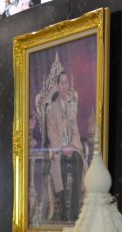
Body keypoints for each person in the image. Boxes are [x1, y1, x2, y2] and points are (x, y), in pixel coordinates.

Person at [45, 71, 86, 222]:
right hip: (59, 151)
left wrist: (72, 146)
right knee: (60, 165)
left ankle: (75, 210)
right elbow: (51, 133)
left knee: (79, 161)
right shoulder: (51, 109)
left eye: (66, 83)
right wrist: (62, 148)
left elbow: (75, 130)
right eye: (61, 83)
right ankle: (63, 211)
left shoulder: (71, 107)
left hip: (72, 147)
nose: (64, 86)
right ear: (57, 86)